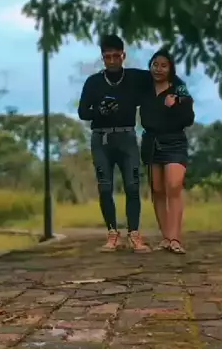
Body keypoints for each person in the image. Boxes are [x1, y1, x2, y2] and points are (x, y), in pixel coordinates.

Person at [77, 35, 182, 254]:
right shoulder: (93, 82)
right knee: (105, 187)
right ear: (102, 58)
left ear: (123, 55)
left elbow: (165, 76)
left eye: (116, 56)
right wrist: (99, 111)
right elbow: (82, 112)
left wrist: (180, 97)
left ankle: (134, 234)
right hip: (101, 139)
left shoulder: (136, 77)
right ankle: (112, 234)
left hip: (127, 137)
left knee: (133, 186)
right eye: (108, 57)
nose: (112, 60)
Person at [139, 48, 195, 254]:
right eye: (155, 65)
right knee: (158, 190)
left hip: (174, 142)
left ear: (170, 68)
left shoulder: (179, 88)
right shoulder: (145, 88)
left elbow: (189, 117)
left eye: (164, 65)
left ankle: (175, 238)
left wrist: (176, 104)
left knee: (173, 186)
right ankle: (165, 237)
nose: (159, 69)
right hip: (152, 142)